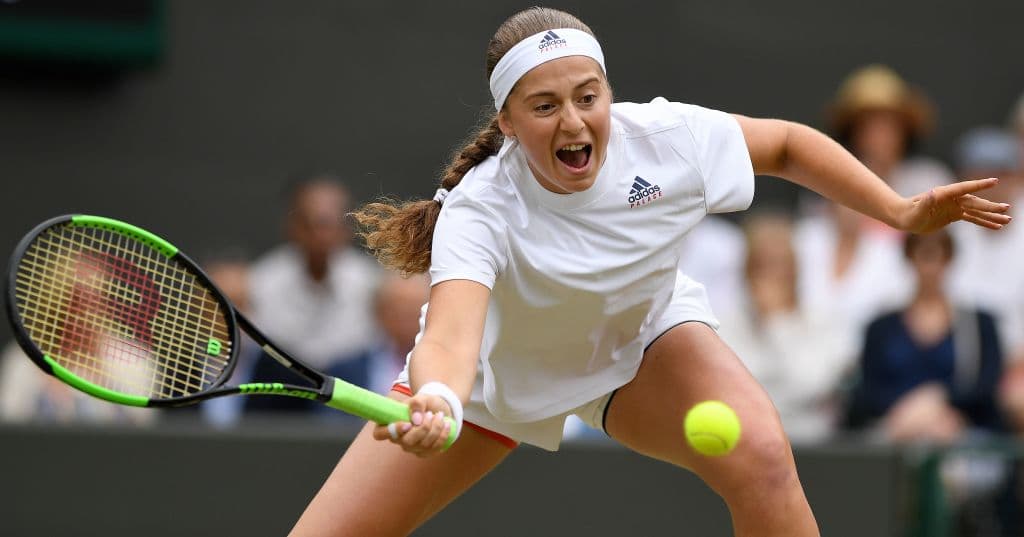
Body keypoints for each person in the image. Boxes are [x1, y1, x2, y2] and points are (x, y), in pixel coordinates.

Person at [289, 8, 1011, 536]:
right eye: (544, 107)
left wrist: (899, 209)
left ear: (608, 92)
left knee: (761, 454)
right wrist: (439, 394)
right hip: (486, 384)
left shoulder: (666, 140)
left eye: (587, 96)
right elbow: (449, 334)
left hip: (639, 346)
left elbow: (787, 146)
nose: (573, 122)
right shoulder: (482, 208)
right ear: (507, 122)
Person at [844, 230, 1005, 442]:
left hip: (962, 436)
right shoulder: (880, 327)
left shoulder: (979, 324)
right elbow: (869, 388)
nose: (931, 268)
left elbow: (986, 384)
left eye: (938, 256)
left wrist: (940, 402)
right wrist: (908, 413)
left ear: (949, 259)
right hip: (895, 434)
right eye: (923, 255)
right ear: (909, 258)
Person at [245, 174, 381, 415]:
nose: (321, 235)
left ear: (346, 229)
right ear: (293, 227)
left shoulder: (370, 285)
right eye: (312, 224)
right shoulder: (262, 282)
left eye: (330, 224)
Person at [717, 214, 856, 443]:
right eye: (764, 265)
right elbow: (735, 392)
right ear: (747, 271)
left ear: (796, 269)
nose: (774, 276)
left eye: (781, 264)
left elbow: (810, 384)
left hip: (812, 443)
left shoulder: (823, 322)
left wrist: (777, 323)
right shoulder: (725, 325)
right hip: (746, 441)